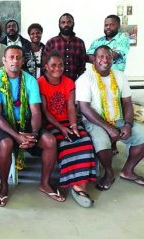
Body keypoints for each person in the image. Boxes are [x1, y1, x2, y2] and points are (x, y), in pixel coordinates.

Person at [0, 45, 63, 207]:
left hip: (26, 123)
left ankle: (45, 183)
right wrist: (17, 136)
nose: (15, 60)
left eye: (18, 57)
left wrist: (33, 134)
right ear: (4, 60)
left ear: (23, 61)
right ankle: (3, 187)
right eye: (11, 57)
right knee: (6, 144)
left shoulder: (30, 80)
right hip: (2, 125)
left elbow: (35, 113)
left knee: (49, 141)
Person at [76, 45, 144, 191]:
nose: (105, 60)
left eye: (108, 56)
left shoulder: (119, 76)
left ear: (113, 59)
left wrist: (127, 124)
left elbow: (127, 102)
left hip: (118, 119)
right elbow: (85, 109)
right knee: (102, 141)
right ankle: (108, 173)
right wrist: (108, 128)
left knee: (142, 135)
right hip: (94, 120)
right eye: (101, 56)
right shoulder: (85, 78)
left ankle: (128, 171)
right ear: (94, 59)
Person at [38, 50, 97, 208]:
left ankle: (81, 184)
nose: (57, 68)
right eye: (53, 65)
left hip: (68, 121)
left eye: (60, 65)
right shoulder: (40, 82)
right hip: (50, 123)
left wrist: (73, 126)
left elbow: (71, 107)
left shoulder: (69, 82)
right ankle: (75, 184)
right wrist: (61, 128)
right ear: (46, 67)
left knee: (85, 141)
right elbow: (45, 111)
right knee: (65, 145)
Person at [42, 13, 87, 81]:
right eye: (63, 22)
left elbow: (82, 68)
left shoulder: (80, 43)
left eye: (69, 22)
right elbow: (44, 66)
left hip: (73, 84)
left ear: (73, 24)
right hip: (54, 84)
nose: (66, 25)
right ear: (59, 25)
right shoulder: (51, 42)